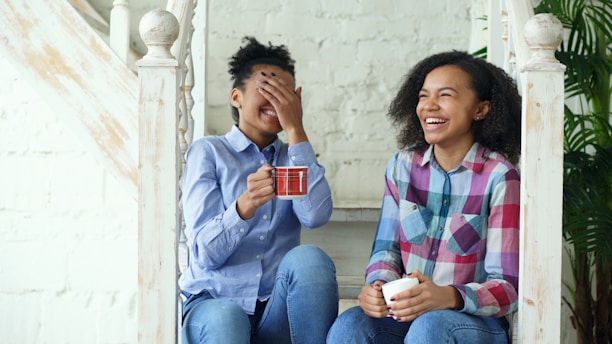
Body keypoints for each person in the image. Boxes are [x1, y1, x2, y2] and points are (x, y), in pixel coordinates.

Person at [327, 50, 521, 343]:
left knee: (430, 327)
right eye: (423, 96)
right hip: (410, 318)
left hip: (474, 323)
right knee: (351, 323)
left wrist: (448, 296)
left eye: (445, 95)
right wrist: (378, 285)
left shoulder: (500, 177)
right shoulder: (402, 167)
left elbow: (507, 287)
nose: (429, 106)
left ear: (480, 110)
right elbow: (386, 251)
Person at [179, 36, 338, 344]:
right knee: (228, 317)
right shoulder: (209, 152)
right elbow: (205, 254)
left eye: (285, 94)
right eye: (266, 90)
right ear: (236, 97)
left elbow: (316, 215)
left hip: (273, 312)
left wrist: (296, 129)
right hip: (213, 304)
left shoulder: (294, 155)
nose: (276, 101)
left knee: (310, 259)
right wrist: (245, 206)